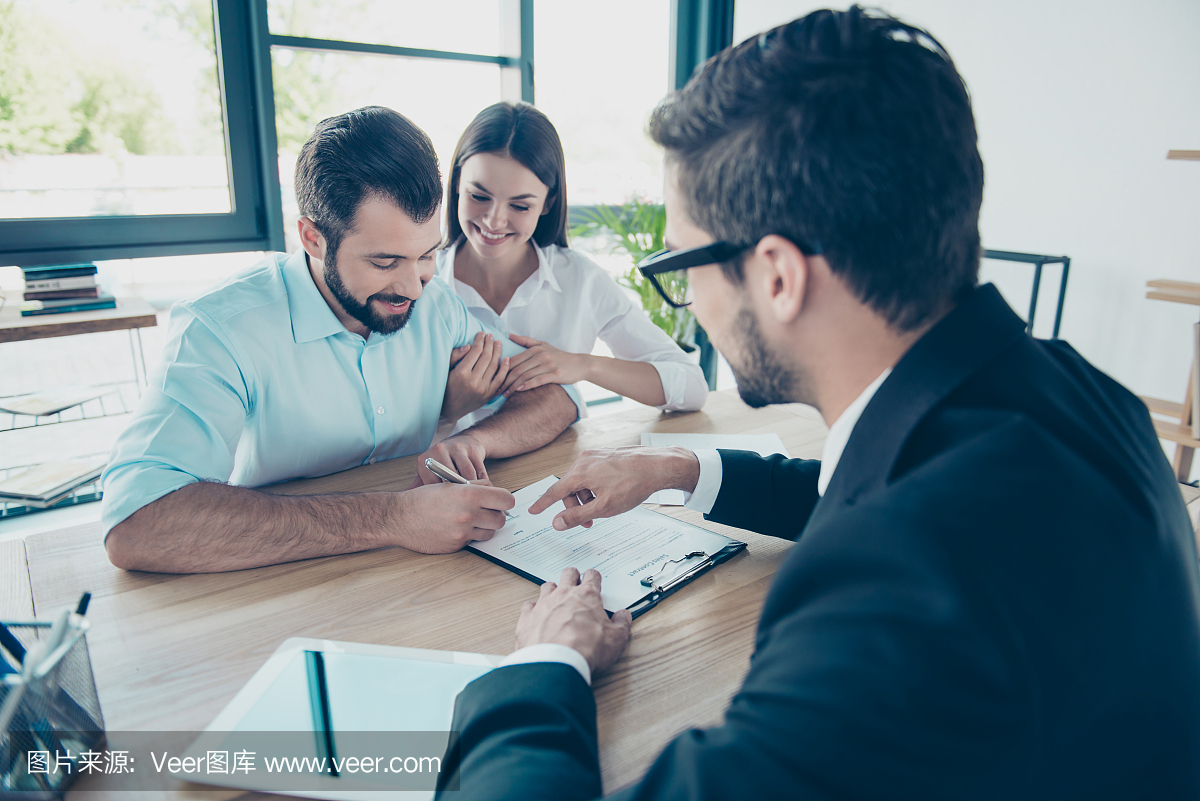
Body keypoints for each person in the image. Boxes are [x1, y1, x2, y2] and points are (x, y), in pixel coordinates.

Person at [435, 8, 1200, 799]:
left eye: (683, 260)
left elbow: (900, 542)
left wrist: (546, 660)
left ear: (776, 275)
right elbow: (880, 483)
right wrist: (673, 467)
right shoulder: (1079, 394)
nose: (688, 297)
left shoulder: (891, 597)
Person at [101, 106, 582, 575]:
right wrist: (393, 518)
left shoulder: (435, 305)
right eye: (384, 262)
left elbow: (558, 393)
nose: (414, 287)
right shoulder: (220, 329)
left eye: (427, 256)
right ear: (313, 238)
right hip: (275, 582)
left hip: (421, 577)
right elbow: (137, 521)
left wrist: (475, 440)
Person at [434, 102, 707, 433]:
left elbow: (692, 387)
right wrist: (447, 410)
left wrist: (584, 366)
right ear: (457, 184)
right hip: (449, 473)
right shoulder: (422, 282)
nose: (494, 220)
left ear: (548, 202)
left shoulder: (580, 279)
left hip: (559, 470)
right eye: (478, 196)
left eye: (520, 205)